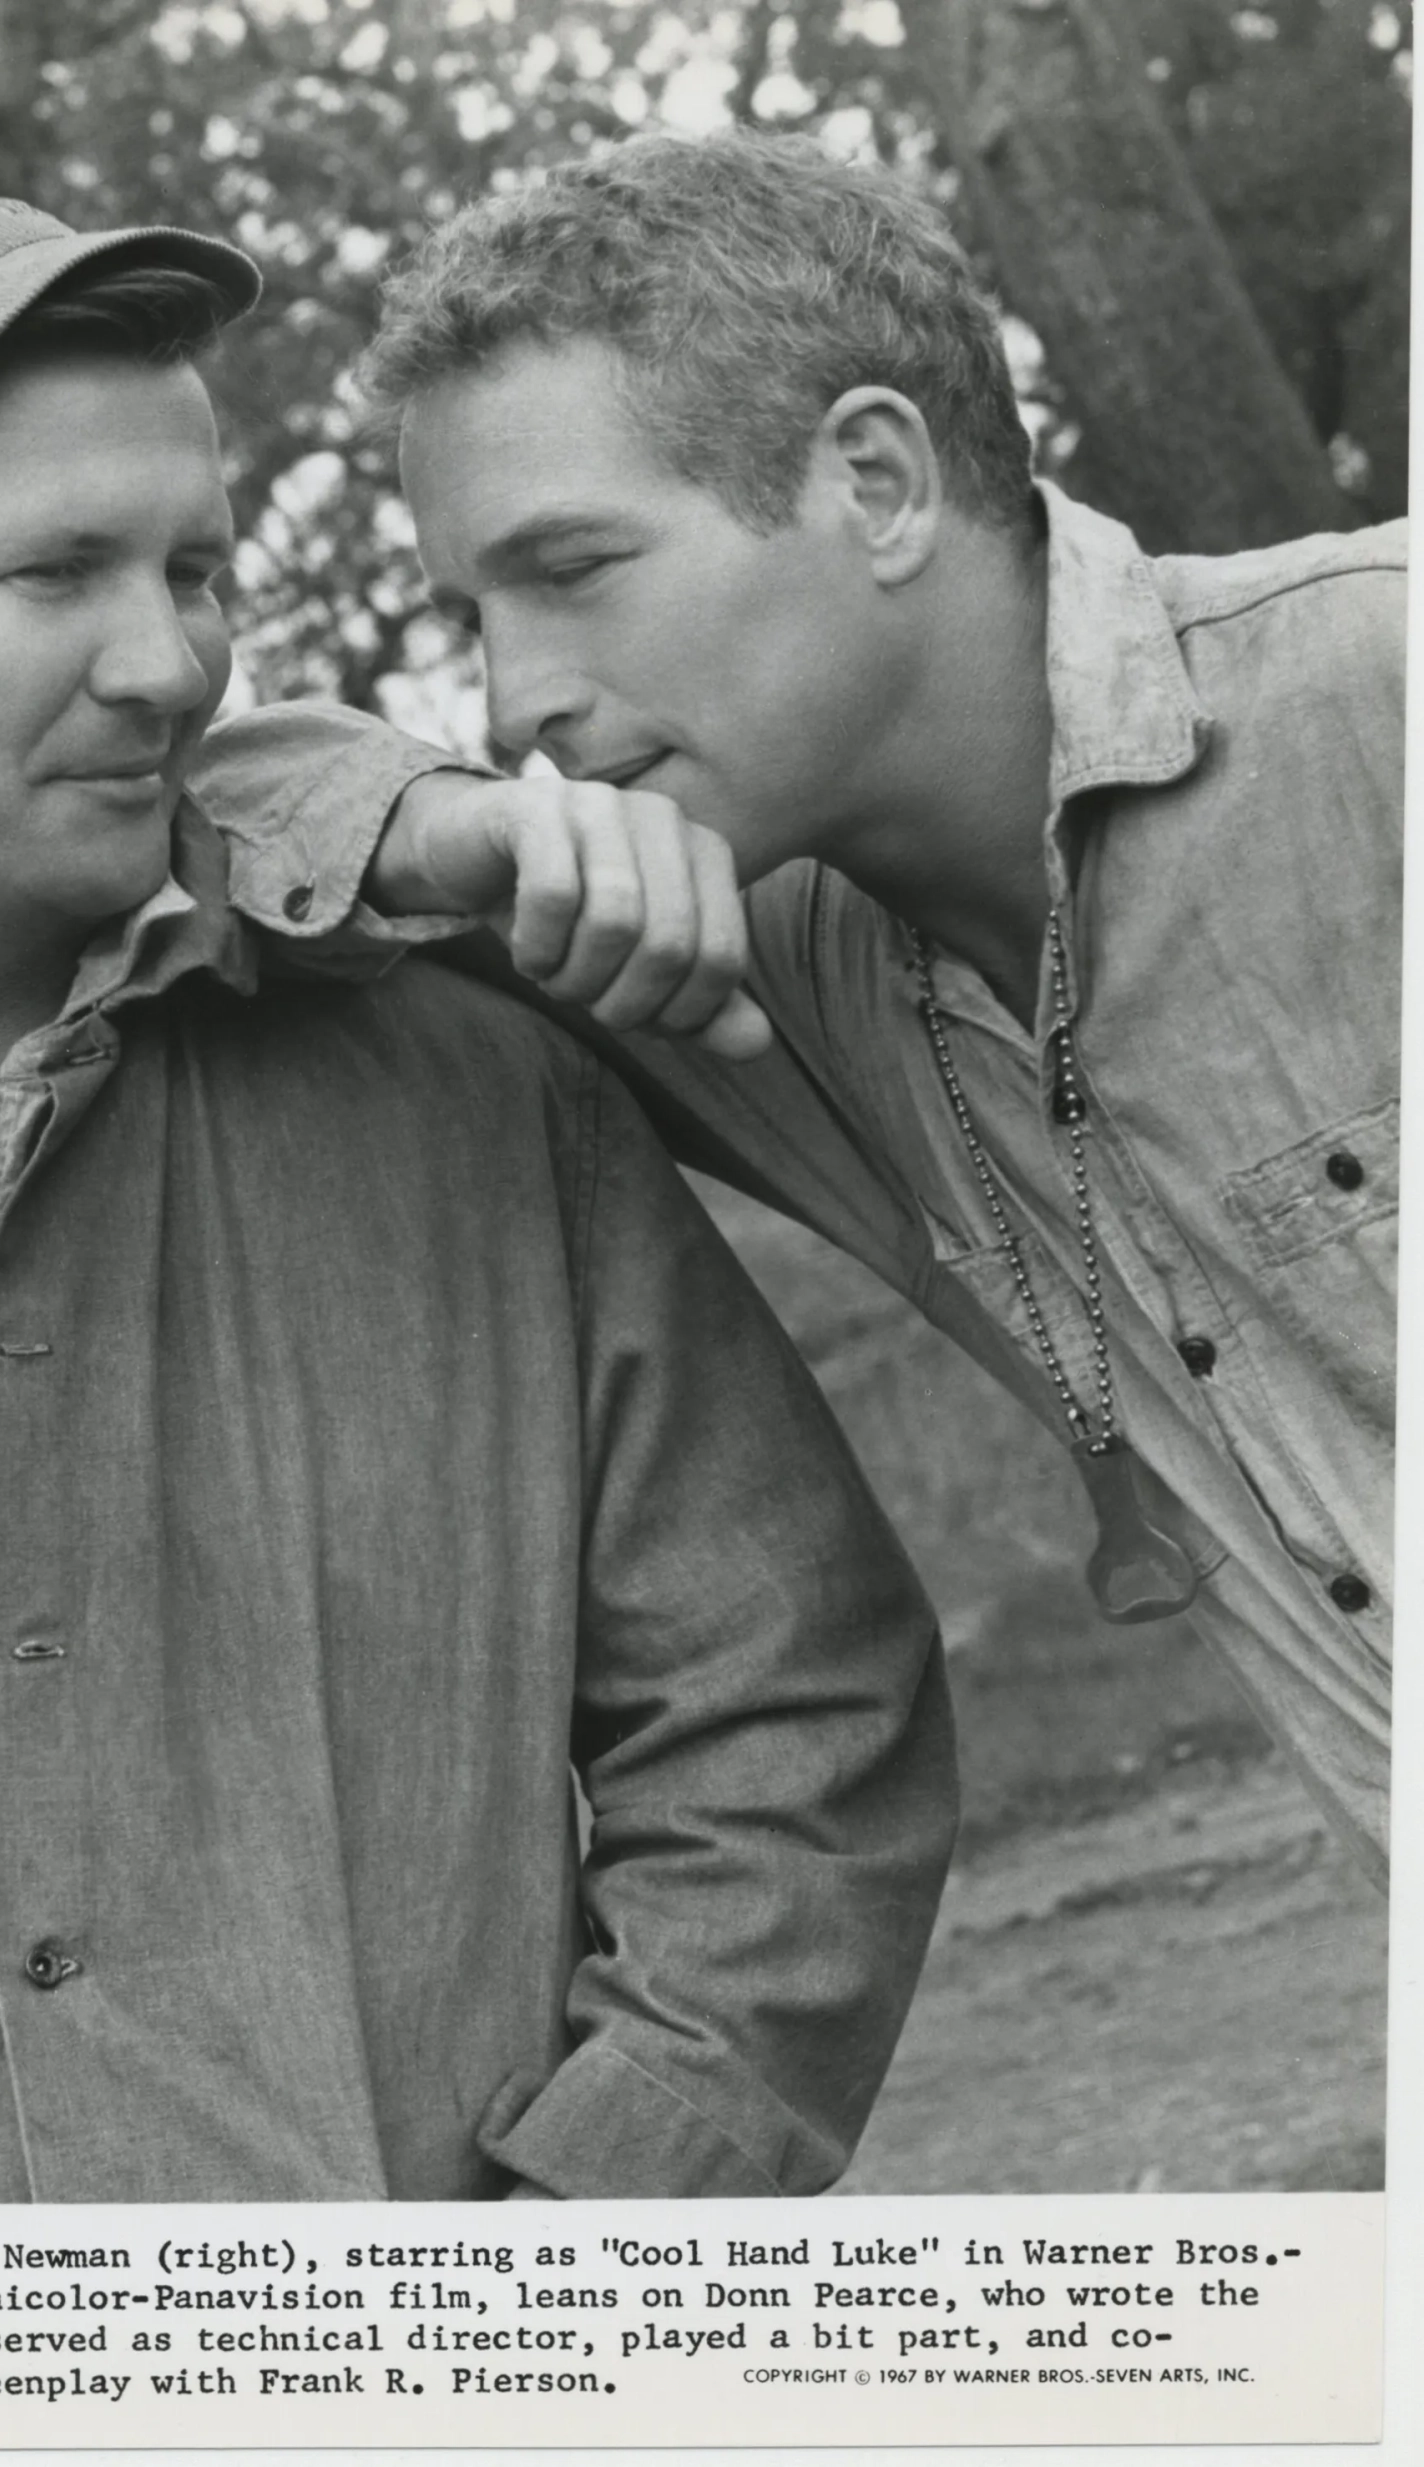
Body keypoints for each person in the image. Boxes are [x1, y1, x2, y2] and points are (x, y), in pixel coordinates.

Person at [0, 192, 953, 2204]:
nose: (169, 659)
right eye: (54, 573)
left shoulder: (471, 1082)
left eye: (198, 569)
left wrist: (567, 2281)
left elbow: (791, 1724)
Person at [197, 129, 1403, 1883]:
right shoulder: (727, 958)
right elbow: (197, 817)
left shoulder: (1382, 695)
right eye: (477, 612)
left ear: (879, 482)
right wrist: (457, 824)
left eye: (575, 570)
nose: (518, 691)